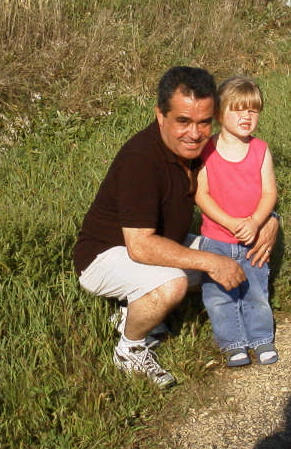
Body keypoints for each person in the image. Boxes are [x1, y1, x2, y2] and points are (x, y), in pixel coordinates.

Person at [73, 66, 279, 388]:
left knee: (236, 254)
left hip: (160, 241)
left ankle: (132, 309)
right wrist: (212, 261)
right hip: (106, 256)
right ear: (160, 115)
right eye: (183, 121)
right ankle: (130, 349)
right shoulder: (141, 160)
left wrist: (270, 221)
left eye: (203, 122)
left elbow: (245, 192)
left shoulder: (199, 150)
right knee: (174, 283)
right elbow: (139, 246)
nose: (194, 133)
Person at [195, 77, 279, 367]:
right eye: (238, 110)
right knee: (219, 296)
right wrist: (230, 222)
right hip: (216, 238)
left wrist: (256, 221)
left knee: (255, 291)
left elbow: (269, 192)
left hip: (253, 238)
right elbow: (201, 194)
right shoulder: (207, 149)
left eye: (253, 111)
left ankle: (260, 339)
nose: (247, 116)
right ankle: (233, 344)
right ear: (219, 113)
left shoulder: (260, 149)